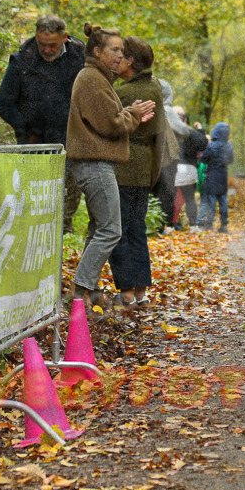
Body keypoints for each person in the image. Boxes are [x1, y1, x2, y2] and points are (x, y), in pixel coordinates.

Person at [66, 25, 154, 309]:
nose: (120, 55)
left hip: (98, 163)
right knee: (111, 230)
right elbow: (111, 124)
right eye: (114, 50)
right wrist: (134, 114)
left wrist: (129, 113)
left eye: (122, 50)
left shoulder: (99, 78)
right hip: (94, 163)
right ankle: (80, 290)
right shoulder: (91, 78)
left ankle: (87, 289)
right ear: (97, 52)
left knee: (98, 228)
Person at [0, 15, 86, 233]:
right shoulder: (22, 61)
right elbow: (3, 102)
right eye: (42, 44)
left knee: (68, 194)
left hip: (70, 139)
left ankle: (62, 235)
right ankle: (30, 235)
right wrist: (25, 129)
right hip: (33, 144)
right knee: (33, 197)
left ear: (64, 38)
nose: (46, 49)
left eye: (52, 45)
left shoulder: (79, 58)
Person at [109, 36, 173, 311]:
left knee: (119, 230)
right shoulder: (155, 87)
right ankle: (140, 291)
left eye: (121, 56)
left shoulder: (124, 93)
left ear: (131, 61)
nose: (116, 60)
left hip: (123, 167)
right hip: (144, 167)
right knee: (136, 228)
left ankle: (126, 292)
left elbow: (108, 125)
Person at [153, 79, 192, 230]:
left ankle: (153, 223)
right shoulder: (167, 110)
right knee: (168, 191)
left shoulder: (148, 107)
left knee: (154, 192)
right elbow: (184, 130)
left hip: (152, 156)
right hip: (169, 157)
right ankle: (165, 224)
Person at [173, 106, 207, 229]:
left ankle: (173, 223)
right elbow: (203, 143)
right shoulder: (191, 133)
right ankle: (193, 225)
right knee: (190, 199)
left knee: (174, 198)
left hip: (174, 168)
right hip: (189, 169)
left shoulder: (170, 131)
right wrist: (200, 130)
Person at [198, 122, 234, 231]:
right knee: (223, 199)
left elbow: (203, 159)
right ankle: (224, 224)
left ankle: (209, 224)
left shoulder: (211, 145)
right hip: (223, 175)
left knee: (211, 200)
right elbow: (231, 160)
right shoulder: (229, 146)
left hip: (212, 175)